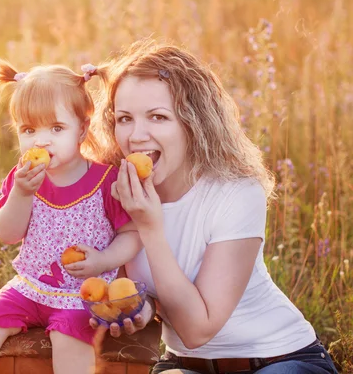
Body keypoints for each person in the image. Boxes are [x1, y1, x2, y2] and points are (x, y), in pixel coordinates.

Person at [86, 39, 339, 374]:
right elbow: (144, 289)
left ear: (194, 122)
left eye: (158, 117)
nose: (136, 135)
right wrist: (138, 308)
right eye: (124, 118)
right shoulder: (119, 192)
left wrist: (149, 227)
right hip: (184, 365)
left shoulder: (236, 192)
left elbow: (197, 330)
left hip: (279, 360)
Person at [0, 60, 142, 374]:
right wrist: (21, 194)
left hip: (82, 294)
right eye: (28, 130)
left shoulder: (106, 182)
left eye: (56, 128)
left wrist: (103, 261)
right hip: (30, 286)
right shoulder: (22, 179)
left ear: (82, 129)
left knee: (69, 338)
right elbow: (7, 234)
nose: (41, 141)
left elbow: (132, 235)